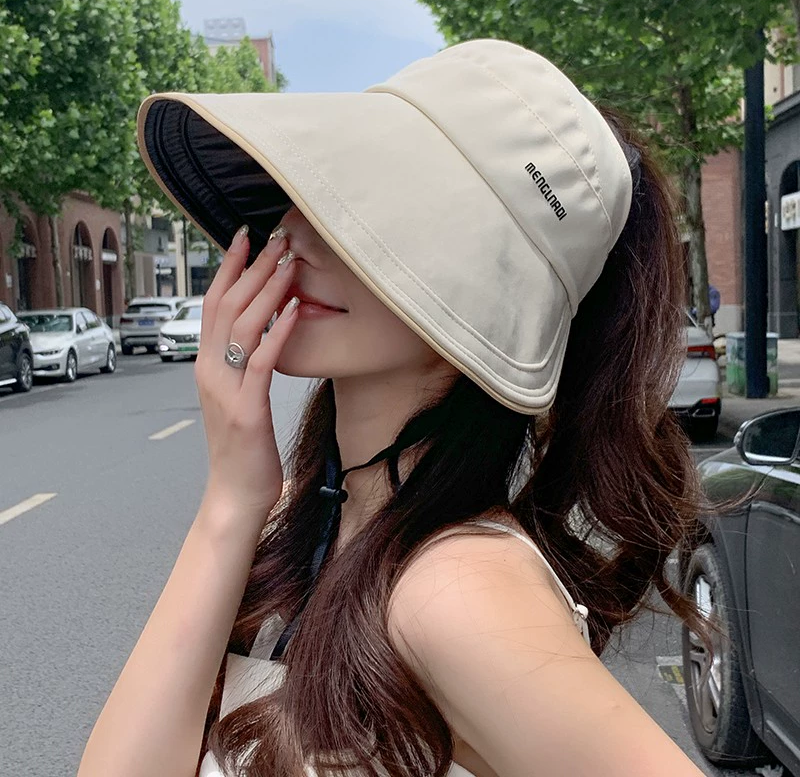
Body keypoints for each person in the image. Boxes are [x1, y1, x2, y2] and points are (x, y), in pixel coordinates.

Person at [78, 40, 708, 777]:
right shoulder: (295, 517)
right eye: (309, 192)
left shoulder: (455, 588)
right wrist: (231, 499)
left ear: (488, 298)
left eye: (369, 217)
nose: (294, 231)